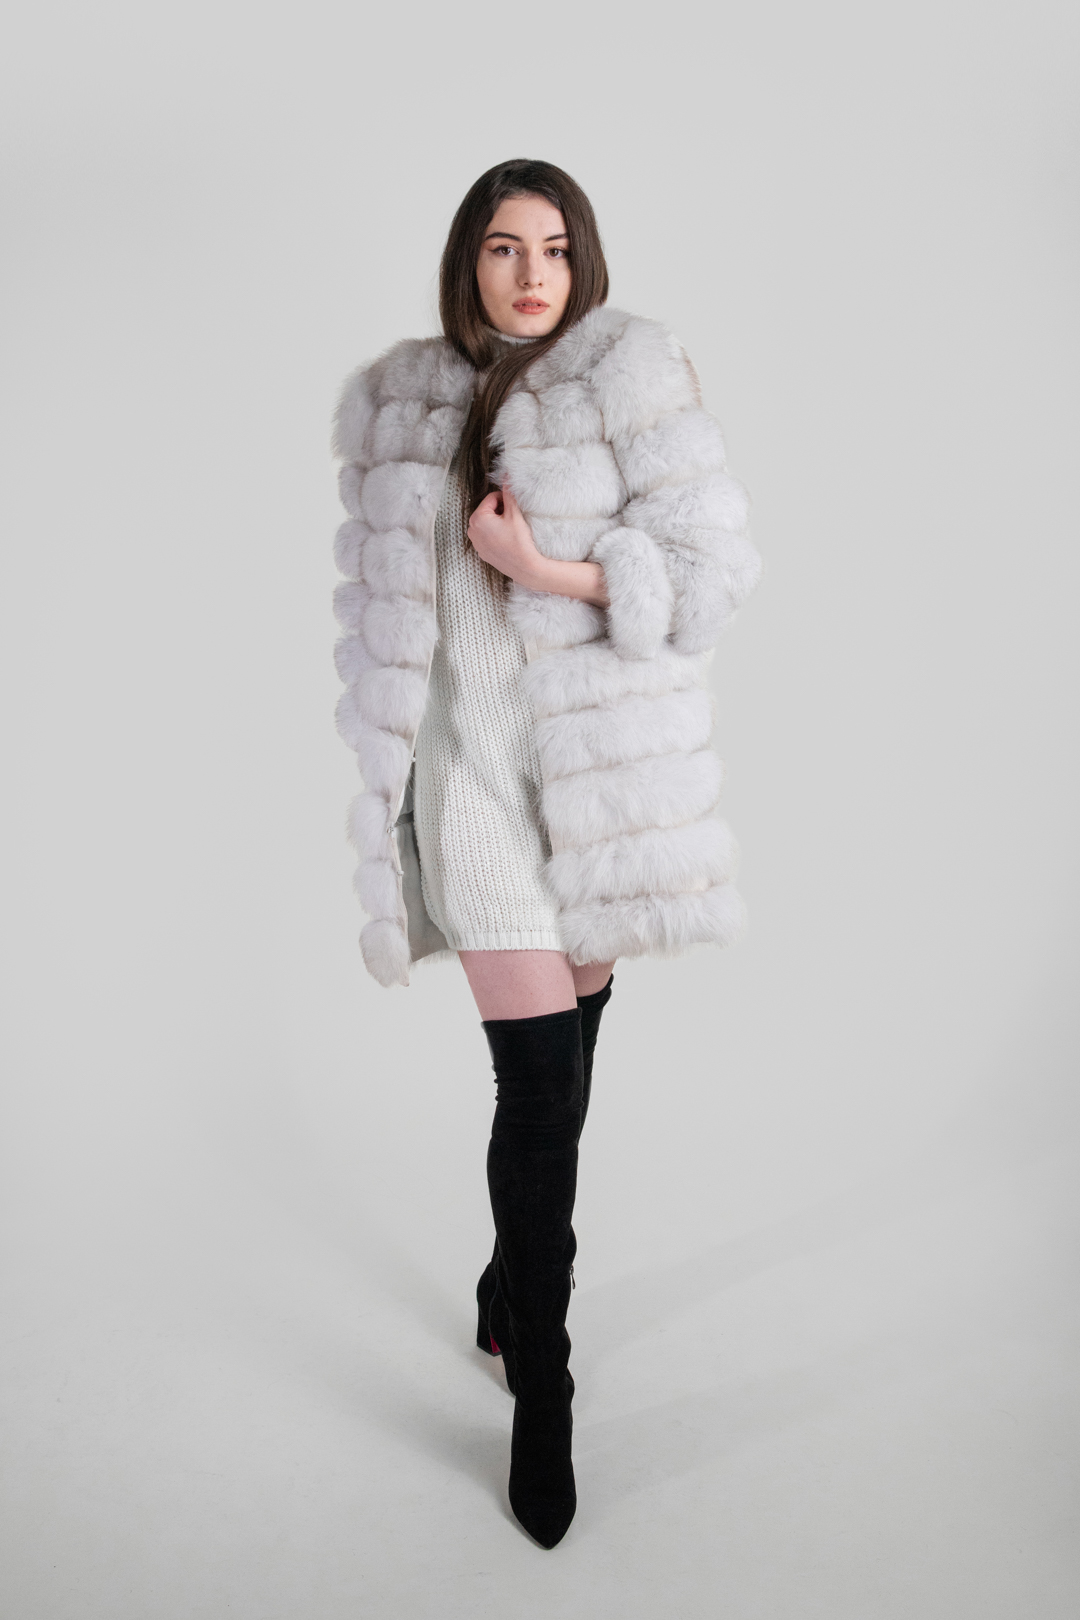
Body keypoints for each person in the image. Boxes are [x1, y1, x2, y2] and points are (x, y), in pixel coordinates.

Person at [332, 159, 760, 1547]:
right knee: (535, 1084)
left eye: (557, 249)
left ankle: (506, 1284)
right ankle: (546, 1392)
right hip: (469, 789)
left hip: (592, 792)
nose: (532, 275)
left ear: (585, 264)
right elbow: (382, 621)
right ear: (468, 259)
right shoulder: (401, 403)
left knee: (567, 1073)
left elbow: (711, 579)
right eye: (506, 247)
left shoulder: (633, 379)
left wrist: (551, 572)